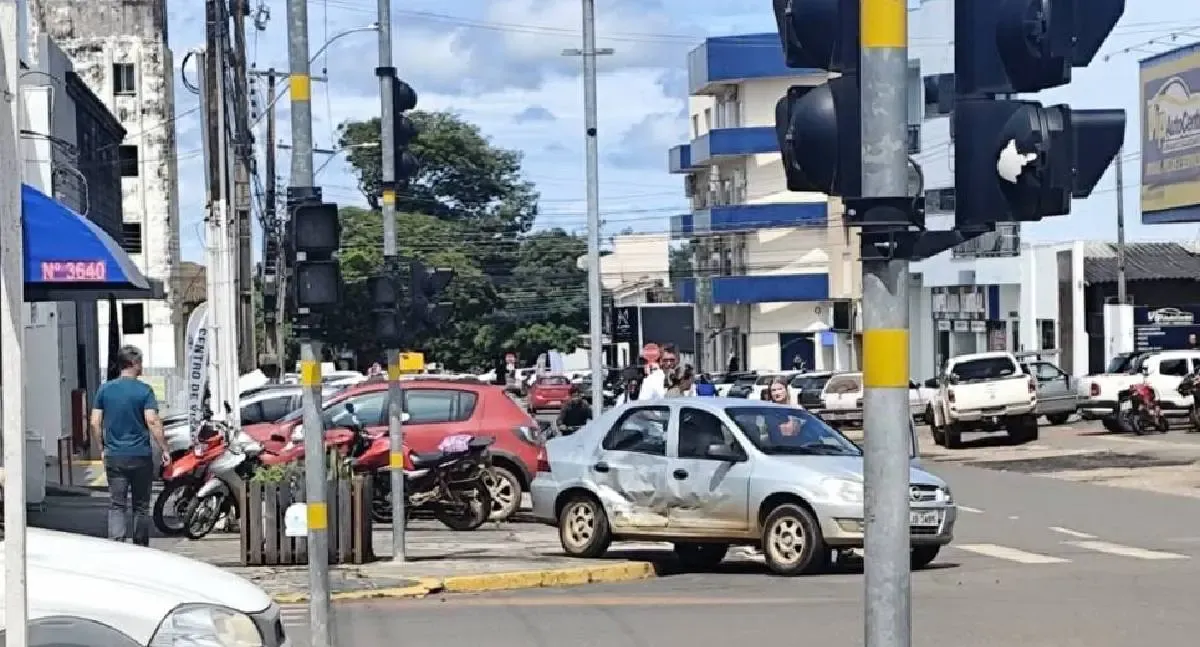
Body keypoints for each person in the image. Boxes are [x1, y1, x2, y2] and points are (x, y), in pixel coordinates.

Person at [90, 345, 170, 546]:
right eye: (140, 362)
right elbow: (152, 420)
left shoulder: (105, 389)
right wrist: (164, 448)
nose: (142, 366)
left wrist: (101, 447)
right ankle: (140, 546)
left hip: (115, 455)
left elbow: (94, 421)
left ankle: (116, 544)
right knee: (141, 506)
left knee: (117, 504)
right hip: (140, 454)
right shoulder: (144, 391)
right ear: (134, 364)